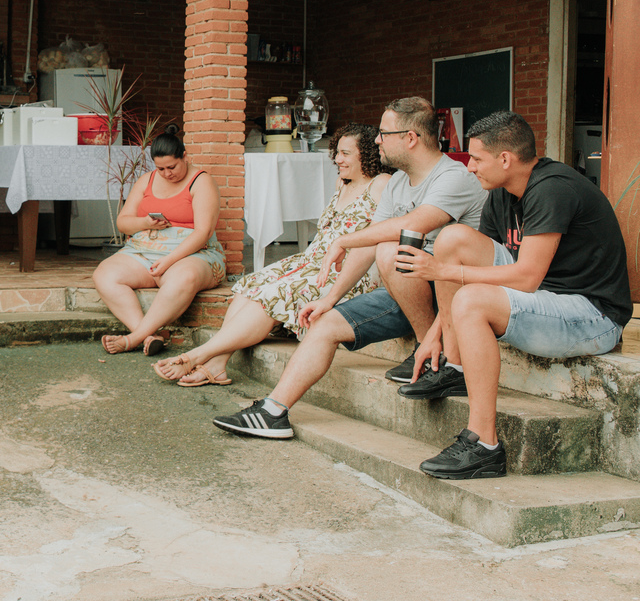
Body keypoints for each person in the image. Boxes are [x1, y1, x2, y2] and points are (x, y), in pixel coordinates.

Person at [211, 97, 486, 440]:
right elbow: (369, 244)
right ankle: (272, 412)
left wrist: (345, 241)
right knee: (325, 322)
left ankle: (432, 348)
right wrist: (330, 297)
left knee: (390, 248)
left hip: (449, 293)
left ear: (411, 138)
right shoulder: (398, 181)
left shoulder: (453, 177)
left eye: (385, 133)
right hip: (403, 288)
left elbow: (415, 224)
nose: (378, 141)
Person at [394, 111, 630, 479]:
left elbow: (526, 278)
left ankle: (483, 445)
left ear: (505, 159)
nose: (469, 167)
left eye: (476, 158)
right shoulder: (502, 193)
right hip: (547, 296)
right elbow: (477, 269)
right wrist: (437, 333)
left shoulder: (552, 188)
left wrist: (441, 273)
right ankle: (455, 365)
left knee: (472, 300)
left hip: (593, 315)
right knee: (453, 238)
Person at [154, 123, 390, 386]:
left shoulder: (381, 184)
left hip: (347, 273)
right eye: (337, 152)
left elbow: (385, 233)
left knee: (274, 294)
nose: (337, 159)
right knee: (250, 286)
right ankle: (218, 364)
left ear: (366, 153)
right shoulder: (342, 182)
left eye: (345, 153)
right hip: (311, 262)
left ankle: (200, 354)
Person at [95, 125, 227, 356]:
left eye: (172, 167)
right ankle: (147, 336)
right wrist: (146, 223)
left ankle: (132, 339)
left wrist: (169, 261)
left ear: (184, 156)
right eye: (161, 168)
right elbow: (123, 222)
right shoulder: (147, 180)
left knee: (184, 277)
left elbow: (203, 232)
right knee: (104, 275)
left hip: (191, 253)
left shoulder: (201, 181)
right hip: (144, 251)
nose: (167, 173)